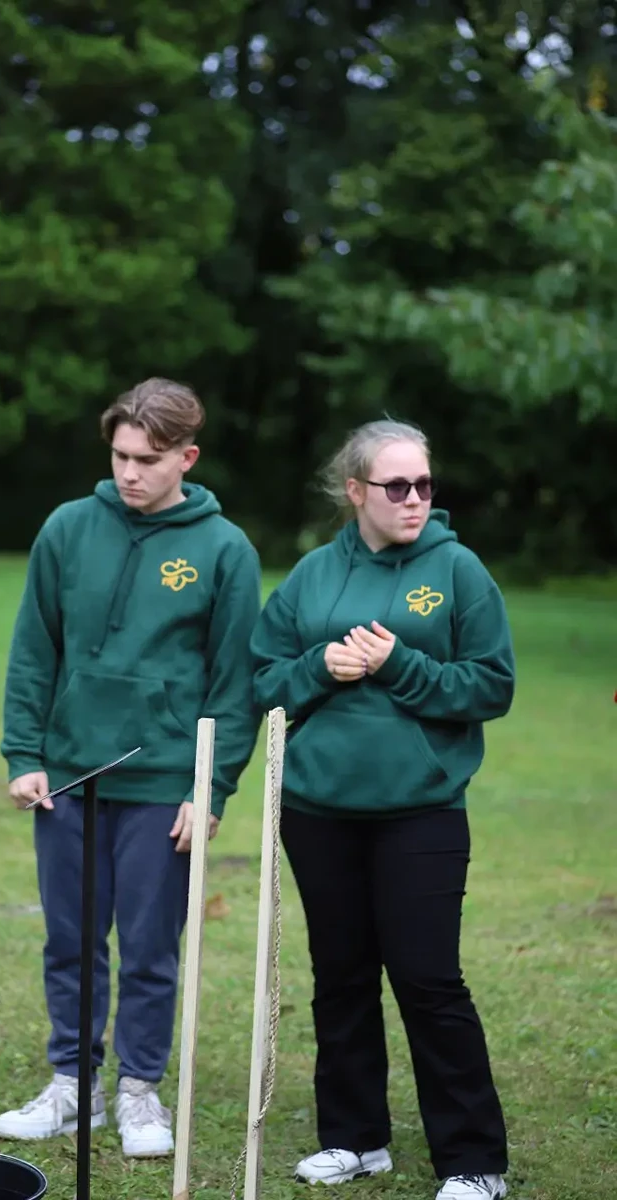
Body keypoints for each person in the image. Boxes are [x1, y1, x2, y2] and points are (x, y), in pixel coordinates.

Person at [0, 378, 261, 1156]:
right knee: (71, 940)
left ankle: (140, 1091)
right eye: (119, 455)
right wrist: (24, 753)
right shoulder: (68, 529)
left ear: (188, 457)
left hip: (164, 785)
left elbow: (233, 683)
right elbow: (33, 649)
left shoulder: (225, 550)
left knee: (150, 946)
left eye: (148, 459)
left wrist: (208, 788)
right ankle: (74, 1088)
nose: (130, 473)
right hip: (69, 778)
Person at [251, 419, 515, 1200]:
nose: (414, 500)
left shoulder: (459, 570)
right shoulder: (311, 574)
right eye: (396, 486)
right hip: (318, 807)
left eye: (425, 485)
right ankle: (355, 1139)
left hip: (420, 810)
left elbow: (491, 686)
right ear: (356, 490)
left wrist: (401, 665)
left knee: (429, 979)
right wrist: (318, 668)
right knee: (338, 976)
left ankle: (474, 1162)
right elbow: (263, 679)